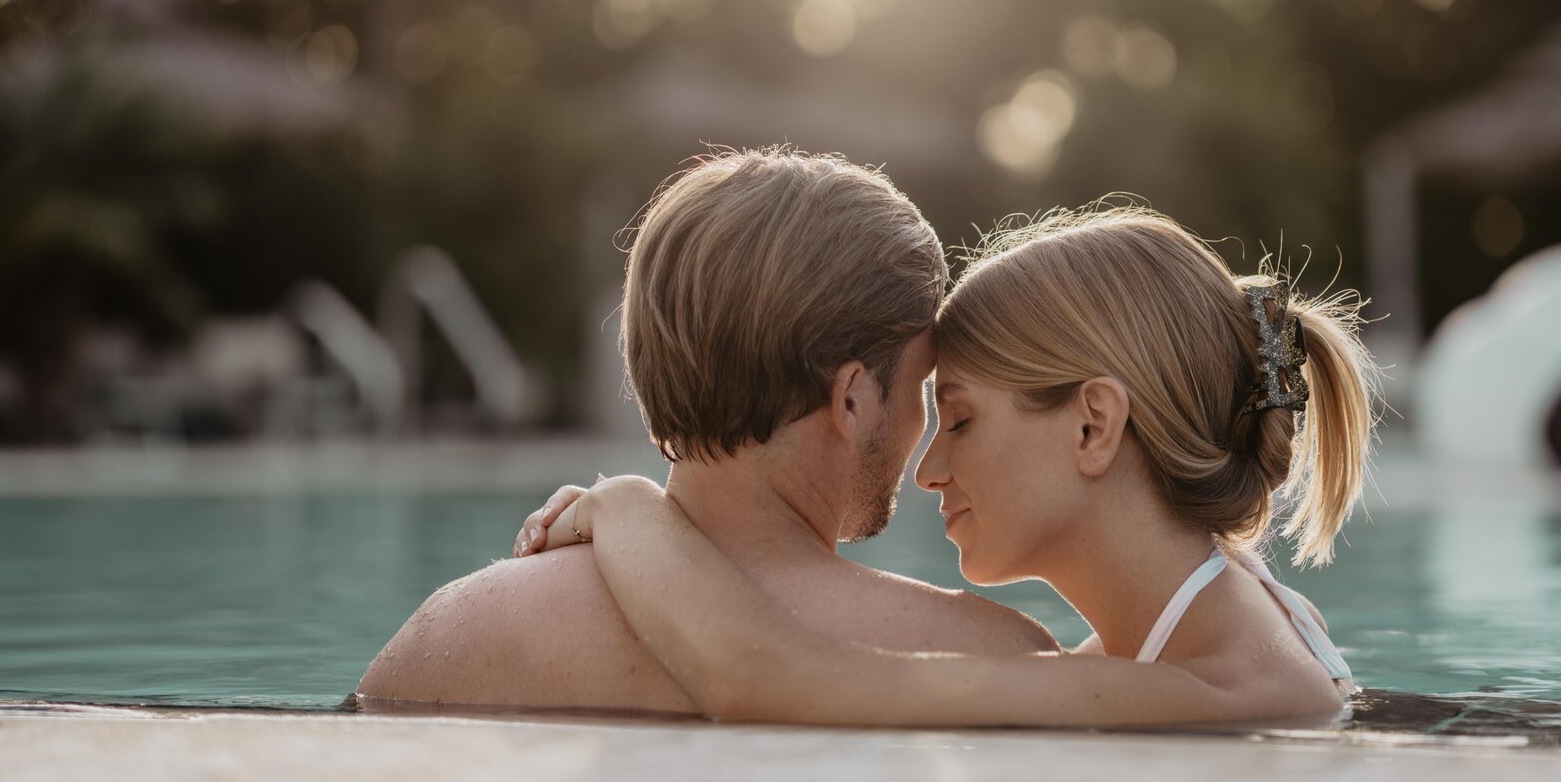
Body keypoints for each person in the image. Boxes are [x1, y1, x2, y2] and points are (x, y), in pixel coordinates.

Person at [517, 208, 1379, 726]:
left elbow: (763, 682)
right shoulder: (1228, 624)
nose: (927, 466)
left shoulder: (1211, 690)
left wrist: (628, 503)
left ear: (1093, 426)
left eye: (959, 417)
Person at [356, 148, 1057, 711]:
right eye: (922, 387)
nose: (922, 430)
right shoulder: (986, 657)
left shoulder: (449, 629)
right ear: (850, 400)